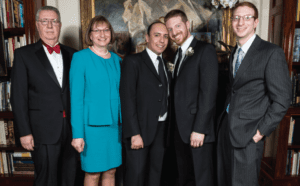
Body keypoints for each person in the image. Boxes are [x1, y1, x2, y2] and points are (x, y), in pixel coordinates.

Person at [216, 2, 292, 186]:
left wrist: (260, 132)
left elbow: (282, 99)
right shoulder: (235, 52)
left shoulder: (271, 52)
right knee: (224, 181)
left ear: (256, 21)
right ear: (232, 21)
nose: (241, 22)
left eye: (247, 17)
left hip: (249, 134)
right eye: (236, 17)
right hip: (226, 130)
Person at [10, 6, 77, 186]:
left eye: (54, 21)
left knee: (70, 179)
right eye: (44, 21)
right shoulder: (24, 55)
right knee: (47, 180)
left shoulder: (73, 54)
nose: (49, 25)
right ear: (38, 26)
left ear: (60, 25)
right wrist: (24, 132)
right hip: (42, 131)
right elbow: (18, 97)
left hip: (71, 131)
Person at [164, 9, 218, 186]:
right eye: (170, 29)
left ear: (188, 25)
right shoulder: (177, 55)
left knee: (202, 180)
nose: (174, 32)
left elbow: (208, 94)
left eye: (177, 26)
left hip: (197, 131)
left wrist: (200, 129)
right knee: (185, 178)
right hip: (179, 132)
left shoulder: (205, 50)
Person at [69, 15, 122, 186]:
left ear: (111, 33)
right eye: (97, 30)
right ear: (90, 35)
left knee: (111, 170)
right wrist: (77, 135)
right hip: (91, 128)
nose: (102, 34)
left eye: (106, 30)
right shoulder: (80, 58)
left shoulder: (118, 60)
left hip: (115, 126)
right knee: (93, 173)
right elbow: (75, 99)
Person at [120, 21, 170, 186]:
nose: (161, 40)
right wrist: (134, 133)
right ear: (147, 38)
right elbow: (127, 99)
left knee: (155, 176)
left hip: (162, 130)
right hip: (139, 131)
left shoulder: (165, 63)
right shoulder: (133, 62)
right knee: (136, 176)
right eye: (157, 35)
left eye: (165, 36)